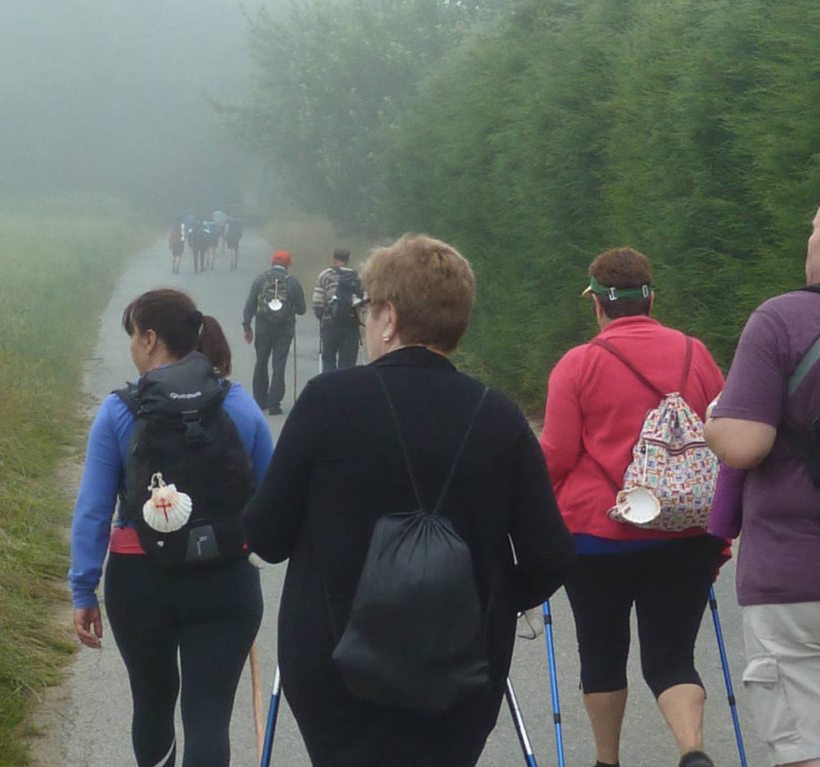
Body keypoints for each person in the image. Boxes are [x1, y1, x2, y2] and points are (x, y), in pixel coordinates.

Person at [244, 234, 575, 766]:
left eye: (366, 313)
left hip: (335, 672)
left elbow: (267, 536)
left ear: (390, 318)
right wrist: (488, 595)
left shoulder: (329, 402)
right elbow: (552, 555)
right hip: (460, 676)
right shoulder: (499, 417)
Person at [705, 183, 820, 767]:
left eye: (813, 229)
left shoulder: (782, 318)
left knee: (810, 756)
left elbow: (744, 444)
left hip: (797, 581)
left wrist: (713, 422)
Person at [68, 288, 273, 767]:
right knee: (208, 717)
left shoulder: (119, 411)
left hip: (140, 581)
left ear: (151, 339)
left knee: (152, 703)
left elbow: (94, 510)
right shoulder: (238, 405)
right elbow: (274, 495)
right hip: (224, 579)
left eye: (134, 335)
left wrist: (83, 589)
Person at [539, 247, 726, 767]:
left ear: (597, 305)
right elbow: (723, 434)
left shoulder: (579, 364)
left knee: (601, 654)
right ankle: (692, 750)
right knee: (672, 657)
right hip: (687, 533)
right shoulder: (697, 353)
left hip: (597, 536)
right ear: (651, 298)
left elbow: (556, 453)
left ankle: (607, 761)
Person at [242, 250, 305, 415]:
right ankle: (274, 404)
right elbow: (302, 310)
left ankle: (260, 401)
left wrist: (246, 326)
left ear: (272, 262)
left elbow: (250, 304)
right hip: (284, 330)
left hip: (263, 328)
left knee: (261, 362)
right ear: (288, 265)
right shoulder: (292, 282)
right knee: (279, 364)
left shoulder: (260, 279)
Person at [311, 248, 363, 370]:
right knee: (348, 365)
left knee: (329, 360)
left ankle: (329, 388)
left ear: (333, 258)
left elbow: (317, 302)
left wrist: (322, 317)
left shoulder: (325, 275)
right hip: (351, 324)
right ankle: (345, 388)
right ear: (348, 259)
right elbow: (363, 301)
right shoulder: (357, 276)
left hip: (330, 324)